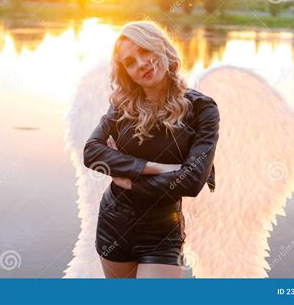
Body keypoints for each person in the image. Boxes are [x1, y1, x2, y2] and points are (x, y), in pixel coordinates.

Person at [83, 21, 220, 278]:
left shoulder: (202, 109)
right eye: (130, 62)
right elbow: (92, 152)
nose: (141, 64)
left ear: (161, 46)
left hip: (162, 231)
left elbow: (191, 181)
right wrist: (158, 168)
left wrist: (131, 182)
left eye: (145, 51)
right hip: (114, 226)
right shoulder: (122, 106)